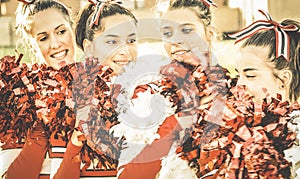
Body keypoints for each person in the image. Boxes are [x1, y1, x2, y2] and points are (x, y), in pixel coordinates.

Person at [116, 0, 230, 178]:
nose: (175, 40)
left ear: (209, 33)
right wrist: (181, 118)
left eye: (186, 30)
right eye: (167, 33)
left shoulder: (238, 94)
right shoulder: (148, 95)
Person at [52, 0, 138, 178]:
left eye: (131, 40)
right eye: (112, 41)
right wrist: (76, 140)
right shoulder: (68, 101)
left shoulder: (148, 97)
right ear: (89, 48)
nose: (125, 51)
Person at [1, 0, 76, 178]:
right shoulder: (16, 95)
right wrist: (41, 129)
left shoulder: (101, 88)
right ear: (31, 44)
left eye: (61, 31)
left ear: (73, 29)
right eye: (43, 38)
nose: (56, 44)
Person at [230, 10, 300, 178]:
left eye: (250, 75)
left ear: (284, 80)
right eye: (238, 74)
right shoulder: (241, 129)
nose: (239, 84)